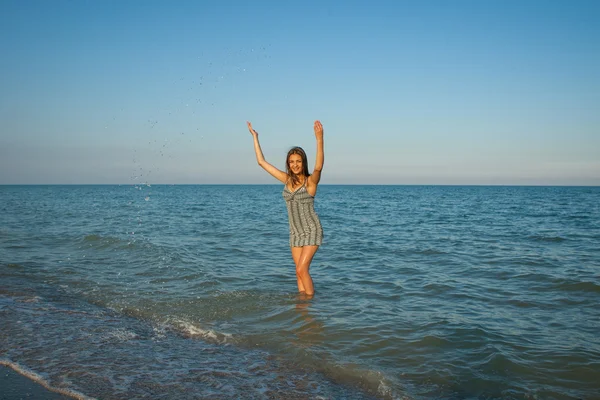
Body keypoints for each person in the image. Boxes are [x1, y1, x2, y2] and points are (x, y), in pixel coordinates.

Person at [246, 120, 324, 297]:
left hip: (311, 230)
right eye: (291, 162)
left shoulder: (310, 182)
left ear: (303, 162)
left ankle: (310, 304)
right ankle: (302, 307)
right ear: (288, 164)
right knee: (297, 272)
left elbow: (318, 166)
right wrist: (255, 137)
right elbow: (261, 162)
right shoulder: (287, 180)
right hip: (295, 232)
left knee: (302, 269)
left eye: (298, 161)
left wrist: (319, 139)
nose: (295, 165)